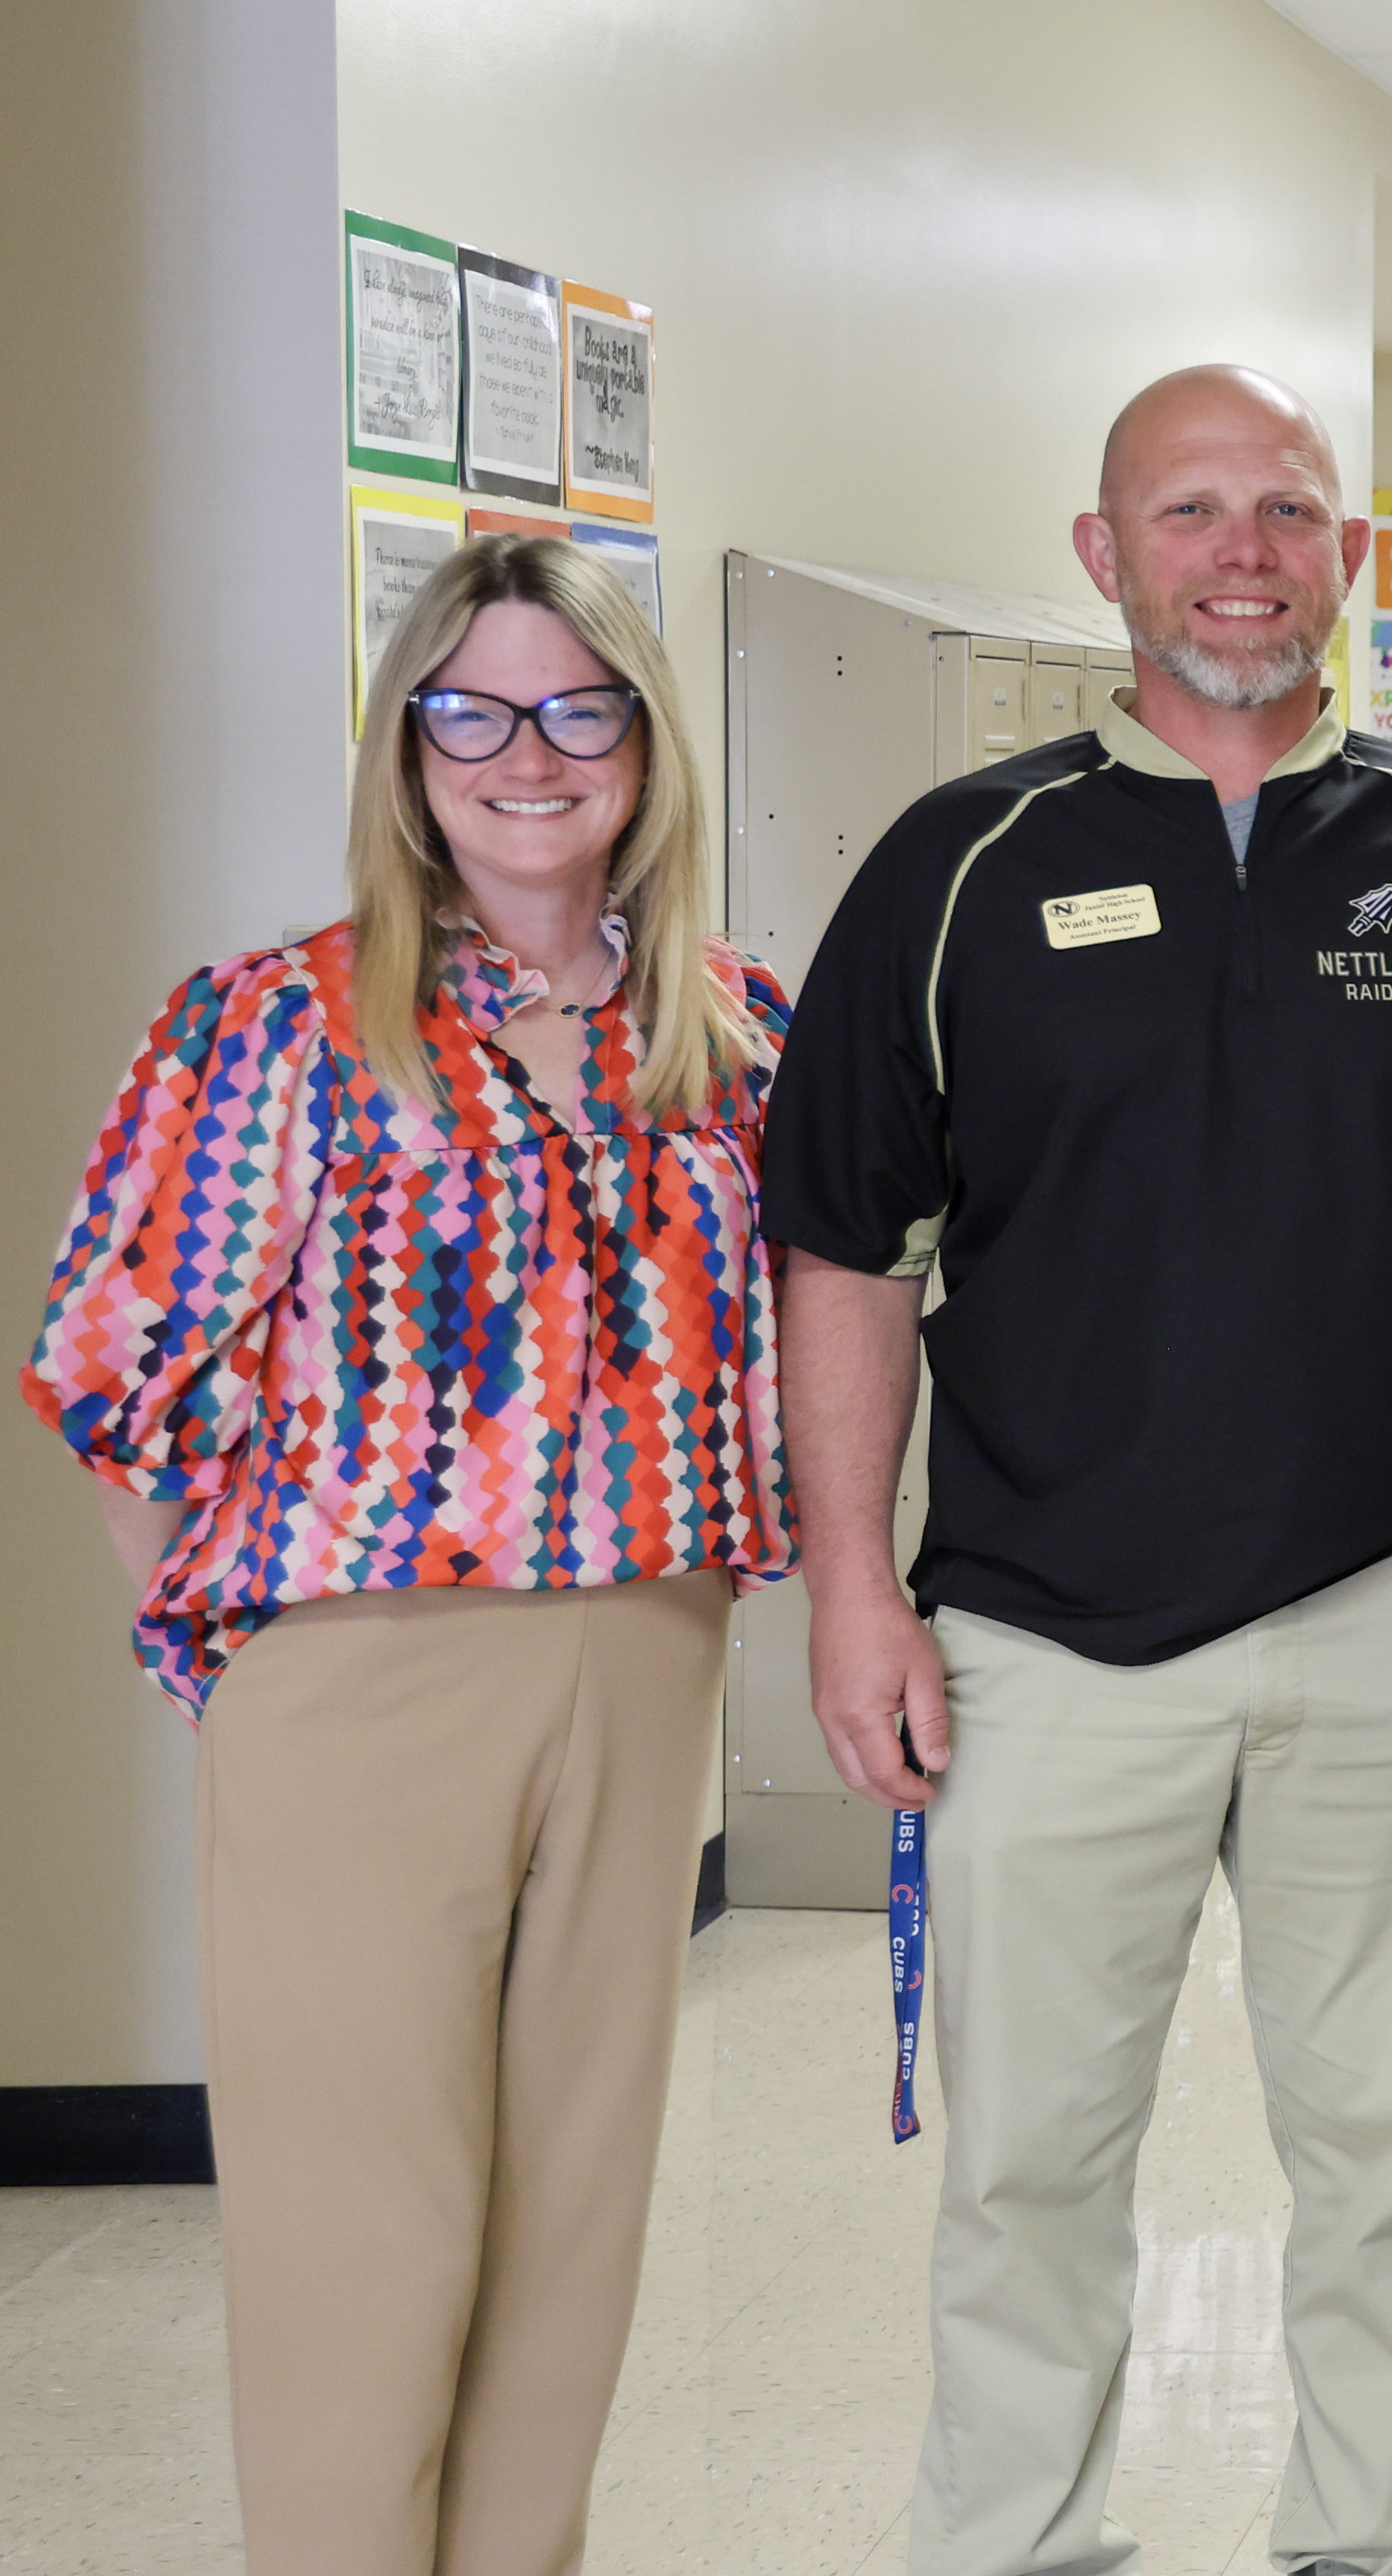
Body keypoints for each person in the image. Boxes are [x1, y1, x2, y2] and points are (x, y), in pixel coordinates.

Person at [761, 364, 1392, 2576]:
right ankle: (1015, 2542)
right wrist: (854, 1590)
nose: (1238, 550)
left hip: (1391, 1610)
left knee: (1391, 2152)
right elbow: (845, 1254)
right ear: (1102, 556)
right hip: (1043, 1632)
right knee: (1030, 2160)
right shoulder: (959, 867)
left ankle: (1377, 2535)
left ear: (1346, 553)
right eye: (1186, 511)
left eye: (1284, 509)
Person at [22, 533, 783, 2574]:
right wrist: (249, 1659)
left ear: (645, 741)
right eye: (470, 709)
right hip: (361, 1673)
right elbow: (107, 1369)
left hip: (649, 1657)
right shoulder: (276, 1021)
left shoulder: (736, 1029)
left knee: (570, 2233)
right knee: (367, 2240)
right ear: (406, 742)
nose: (524, 754)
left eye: (576, 708)